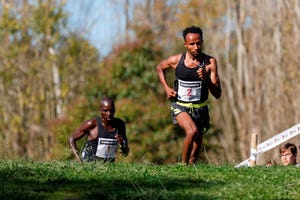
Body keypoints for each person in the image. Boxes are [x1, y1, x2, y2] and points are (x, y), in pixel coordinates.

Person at [156, 25, 221, 165]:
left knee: (195, 151)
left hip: (201, 109)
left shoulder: (210, 63)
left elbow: (217, 94)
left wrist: (206, 79)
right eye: (192, 44)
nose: (196, 47)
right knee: (192, 132)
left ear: (202, 42)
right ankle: (182, 166)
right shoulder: (177, 61)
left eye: (198, 43)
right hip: (181, 107)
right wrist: (167, 88)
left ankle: (190, 169)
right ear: (185, 44)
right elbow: (159, 68)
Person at [68, 96, 129, 163]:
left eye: (111, 110)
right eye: (105, 111)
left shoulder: (119, 125)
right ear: (100, 111)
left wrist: (122, 143)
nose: (109, 113)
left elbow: (125, 153)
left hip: (108, 168)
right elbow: (71, 138)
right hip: (89, 167)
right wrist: (78, 159)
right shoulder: (92, 124)